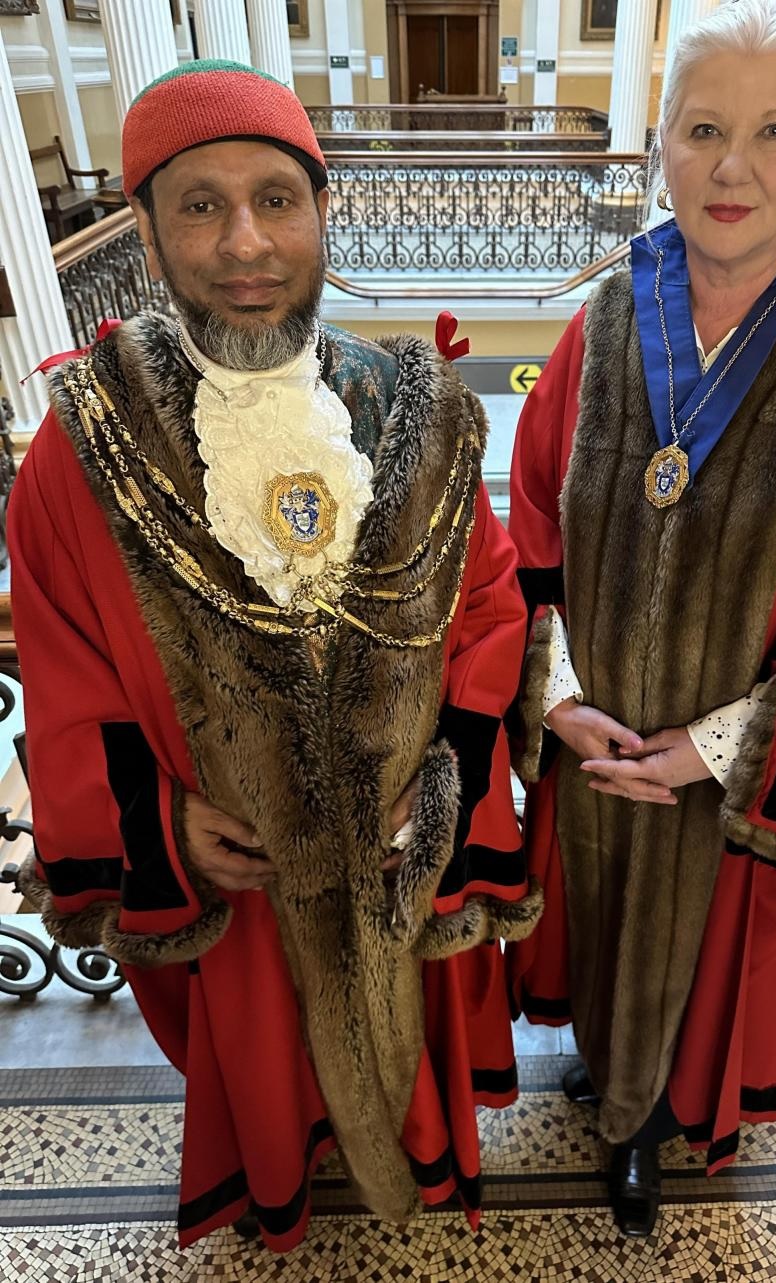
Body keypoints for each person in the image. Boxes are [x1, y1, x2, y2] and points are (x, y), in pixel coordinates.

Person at [9, 60, 543, 1252]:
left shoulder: (417, 406)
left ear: (320, 210)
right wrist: (160, 820)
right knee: (262, 1056)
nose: (245, 243)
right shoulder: (78, 448)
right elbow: (63, 667)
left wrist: (445, 776)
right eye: (200, 205)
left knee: (406, 1049)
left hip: (399, 848)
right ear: (146, 229)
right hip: (235, 877)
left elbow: (488, 603)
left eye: (275, 200)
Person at [507, 0, 776, 1239]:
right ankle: (610, 1075)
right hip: (597, 745)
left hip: (736, 769)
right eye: (702, 129)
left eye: (772, 131)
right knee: (602, 932)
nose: (732, 167)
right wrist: (557, 698)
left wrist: (712, 748)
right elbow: (526, 516)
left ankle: (657, 1122)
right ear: (660, 141)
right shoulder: (606, 315)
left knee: (710, 968)